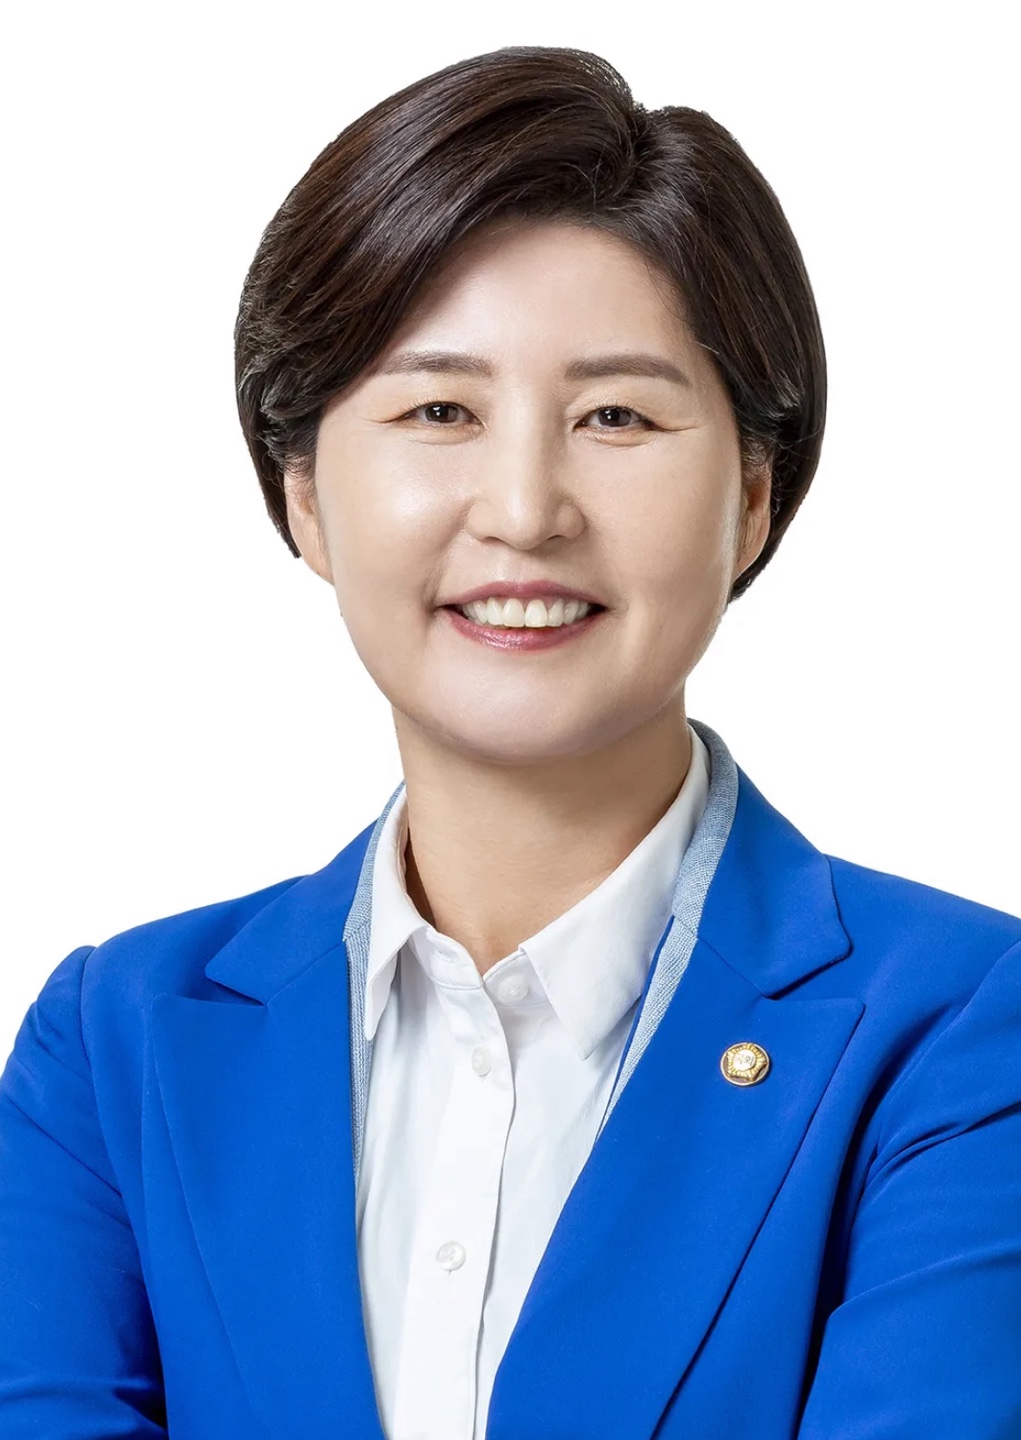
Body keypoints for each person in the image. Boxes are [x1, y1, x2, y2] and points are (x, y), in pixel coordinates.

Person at [1, 43, 1020, 1440]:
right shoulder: (116, 1047)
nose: (526, 509)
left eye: (616, 415)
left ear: (752, 497)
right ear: (304, 494)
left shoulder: (960, 1033)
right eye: (440, 411)